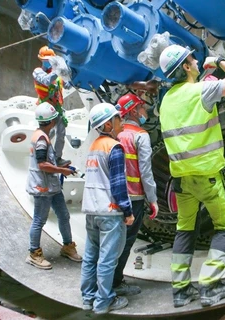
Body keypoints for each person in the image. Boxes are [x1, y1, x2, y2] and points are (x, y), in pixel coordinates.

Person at [158, 45, 225, 308]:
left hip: (181, 181)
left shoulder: (166, 100)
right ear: (186, 67)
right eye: (192, 59)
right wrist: (220, 60)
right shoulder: (202, 91)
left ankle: (180, 291)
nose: (196, 60)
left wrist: (202, 81)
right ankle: (210, 286)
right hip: (210, 178)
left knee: (184, 230)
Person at [80, 103, 134, 314]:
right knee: (108, 259)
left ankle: (88, 298)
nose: (121, 121)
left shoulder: (94, 145)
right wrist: (128, 212)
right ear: (109, 124)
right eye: (118, 118)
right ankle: (104, 302)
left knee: (91, 257)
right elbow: (119, 184)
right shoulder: (114, 147)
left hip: (91, 211)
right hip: (110, 212)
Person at [25, 102, 82, 270]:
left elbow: (46, 161)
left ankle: (67, 247)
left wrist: (61, 166)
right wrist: (61, 170)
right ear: (51, 121)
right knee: (39, 221)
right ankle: (34, 254)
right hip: (43, 188)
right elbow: (42, 164)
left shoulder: (41, 135)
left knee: (63, 215)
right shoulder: (41, 139)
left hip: (52, 186)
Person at [113, 93, 159, 296]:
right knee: (126, 241)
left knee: (112, 240)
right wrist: (153, 199)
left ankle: (106, 279)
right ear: (133, 111)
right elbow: (146, 171)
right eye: (141, 107)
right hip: (134, 199)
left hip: (113, 198)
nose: (145, 111)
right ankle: (115, 282)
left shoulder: (115, 133)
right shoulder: (141, 135)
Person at [33, 45, 70, 167]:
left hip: (56, 108)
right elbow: (46, 80)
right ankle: (43, 155)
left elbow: (67, 85)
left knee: (61, 133)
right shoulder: (38, 72)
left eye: (50, 60)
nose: (48, 62)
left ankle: (57, 157)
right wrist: (58, 70)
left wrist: (68, 75)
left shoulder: (57, 74)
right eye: (46, 60)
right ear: (41, 60)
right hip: (45, 110)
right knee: (46, 133)